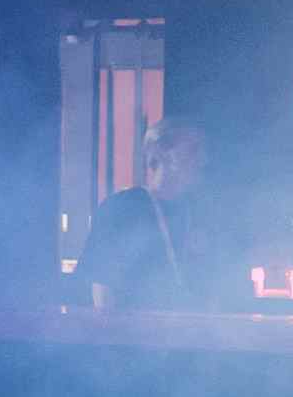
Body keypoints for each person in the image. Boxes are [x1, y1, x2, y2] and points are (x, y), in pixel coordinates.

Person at [85, 117, 208, 310]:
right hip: (134, 327)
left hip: (187, 326)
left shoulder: (197, 211)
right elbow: (102, 287)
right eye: (192, 149)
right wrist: (111, 327)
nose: (201, 159)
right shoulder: (122, 208)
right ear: (160, 151)